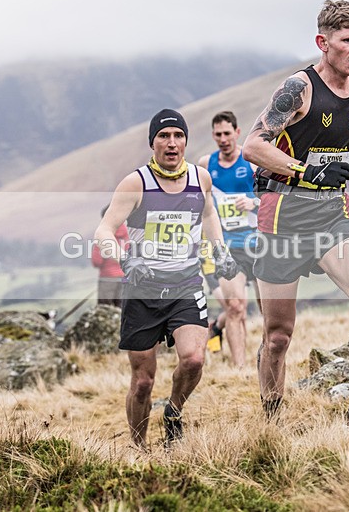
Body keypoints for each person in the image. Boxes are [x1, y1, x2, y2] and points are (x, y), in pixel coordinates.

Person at [243, 0, 349, 420]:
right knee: (277, 336)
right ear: (323, 42)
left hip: (333, 214)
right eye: (348, 39)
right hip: (283, 218)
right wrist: (310, 170)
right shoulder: (298, 88)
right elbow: (254, 147)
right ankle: (272, 420)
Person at [95, 108, 238, 449]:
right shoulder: (136, 183)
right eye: (164, 136)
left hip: (186, 286)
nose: (171, 143)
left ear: (186, 141)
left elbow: (208, 214)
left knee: (194, 359)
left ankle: (174, 409)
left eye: (178, 136)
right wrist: (125, 258)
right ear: (153, 143)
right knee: (143, 382)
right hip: (142, 291)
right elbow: (104, 230)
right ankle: (139, 446)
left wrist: (220, 250)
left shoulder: (201, 178)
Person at [198, 111, 262, 367]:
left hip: (259, 244)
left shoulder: (252, 161)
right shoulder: (206, 164)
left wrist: (253, 202)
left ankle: (269, 361)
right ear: (213, 136)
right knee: (235, 307)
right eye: (218, 134)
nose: (223, 139)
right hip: (227, 247)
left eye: (227, 133)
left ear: (237, 132)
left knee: (269, 311)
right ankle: (240, 368)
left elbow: (274, 198)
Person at [91, 205, 127, 307]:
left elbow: (97, 261)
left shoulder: (103, 236)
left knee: (104, 310)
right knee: (121, 310)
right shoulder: (127, 234)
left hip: (107, 278)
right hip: (124, 278)